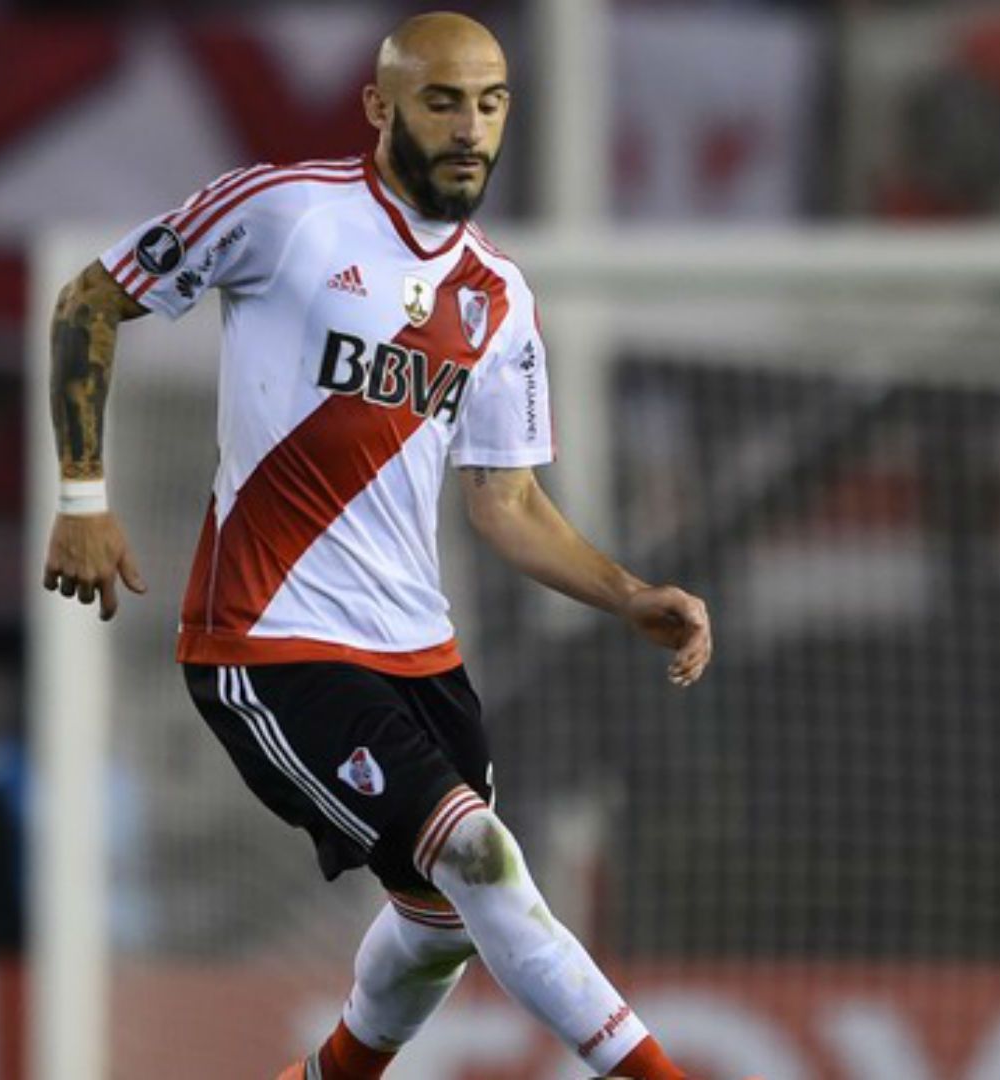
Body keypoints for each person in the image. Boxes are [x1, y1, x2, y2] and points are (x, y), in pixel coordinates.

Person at [40, 12, 710, 1080]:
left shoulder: (498, 296)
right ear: (382, 106)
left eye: (490, 103)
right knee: (482, 859)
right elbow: (91, 300)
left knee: (443, 918)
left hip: (420, 655)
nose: (469, 128)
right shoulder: (283, 212)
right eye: (443, 100)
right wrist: (83, 495)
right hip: (270, 642)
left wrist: (627, 594)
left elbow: (508, 502)